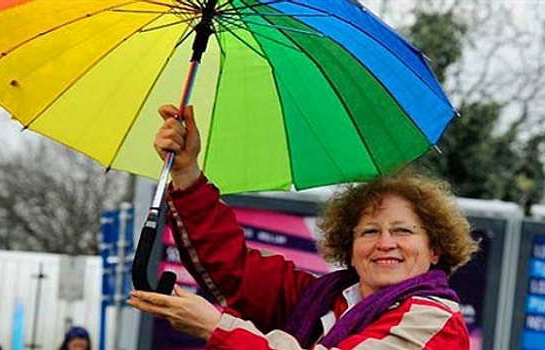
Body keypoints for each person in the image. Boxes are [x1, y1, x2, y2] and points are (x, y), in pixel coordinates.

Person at [128, 104, 479, 349]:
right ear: (349, 249)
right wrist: (186, 172)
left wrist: (216, 328)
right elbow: (235, 270)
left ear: (435, 249)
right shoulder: (323, 297)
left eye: (403, 231)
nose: (385, 242)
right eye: (369, 231)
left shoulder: (434, 321)